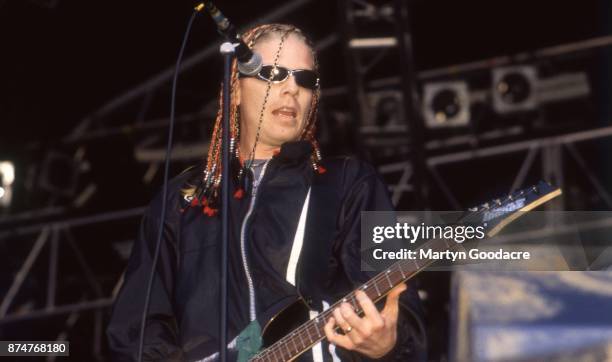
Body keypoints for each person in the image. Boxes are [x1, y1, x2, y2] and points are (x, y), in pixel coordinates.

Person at [106, 24, 425, 362]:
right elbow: (135, 329)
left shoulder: (348, 183)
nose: (291, 89)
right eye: (274, 73)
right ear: (235, 89)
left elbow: (399, 312)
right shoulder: (179, 201)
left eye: (305, 80)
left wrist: (388, 345)